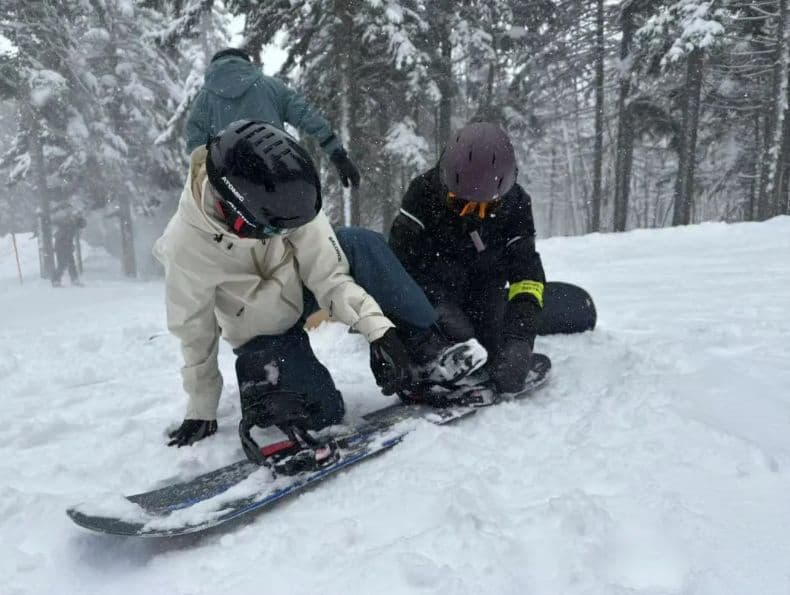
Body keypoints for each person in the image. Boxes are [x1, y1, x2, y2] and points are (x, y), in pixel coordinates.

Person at [155, 120, 484, 450]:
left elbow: (330, 276)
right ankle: (265, 385)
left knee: (360, 243)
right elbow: (194, 329)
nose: (283, 236)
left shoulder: (286, 197)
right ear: (236, 213)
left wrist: (380, 331)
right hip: (261, 329)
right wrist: (201, 407)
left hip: (301, 287)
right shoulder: (185, 245)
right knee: (324, 414)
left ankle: (425, 351)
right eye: (275, 232)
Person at [388, 122, 546, 395]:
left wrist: (520, 339)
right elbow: (398, 267)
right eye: (461, 203)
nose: (474, 213)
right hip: (433, 292)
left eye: (487, 206)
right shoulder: (422, 193)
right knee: (449, 338)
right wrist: (434, 306)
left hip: (485, 292)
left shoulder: (517, 203)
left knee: (493, 350)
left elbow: (527, 274)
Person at [185, 48, 360, 189]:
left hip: (232, 182)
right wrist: (337, 154)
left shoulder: (204, 100)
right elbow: (307, 116)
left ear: (214, 68)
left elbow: (196, 147)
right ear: (246, 64)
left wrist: (207, 176)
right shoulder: (271, 87)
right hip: (277, 174)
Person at [51, 213, 86, 287]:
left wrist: (70, 245)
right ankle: (56, 280)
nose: (79, 229)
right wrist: (68, 245)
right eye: (80, 227)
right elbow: (63, 237)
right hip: (61, 247)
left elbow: (68, 238)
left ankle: (74, 279)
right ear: (78, 223)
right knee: (62, 264)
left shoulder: (71, 224)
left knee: (71, 263)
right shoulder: (70, 225)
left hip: (65, 247)